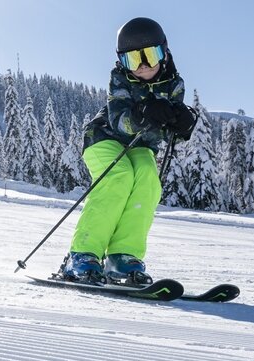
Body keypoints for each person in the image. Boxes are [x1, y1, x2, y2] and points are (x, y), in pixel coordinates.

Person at [61, 17, 197, 286]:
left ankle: (123, 257)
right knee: (118, 177)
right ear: (122, 62)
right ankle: (83, 255)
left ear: (165, 53)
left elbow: (169, 132)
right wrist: (143, 112)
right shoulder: (119, 80)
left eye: (150, 55)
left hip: (141, 145)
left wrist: (181, 126)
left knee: (148, 179)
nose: (144, 65)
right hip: (104, 138)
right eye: (134, 59)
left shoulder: (174, 84)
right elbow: (119, 119)